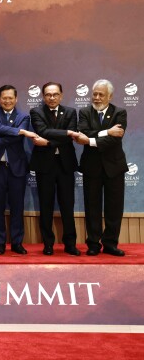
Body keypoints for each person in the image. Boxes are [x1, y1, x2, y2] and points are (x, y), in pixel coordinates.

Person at [72, 79, 128, 256]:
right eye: (94, 94)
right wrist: (105, 132)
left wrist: (90, 141)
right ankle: (94, 243)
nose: (96, 98)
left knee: (114, 207)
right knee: (92, 206)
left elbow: (115, 138)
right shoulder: (85, 112)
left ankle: (110, 243)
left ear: (109, 96)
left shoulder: (120, 112)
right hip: (91, 167)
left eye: (101, 94)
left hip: (114, 167)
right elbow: (82, 132)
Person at [0, 84, 37, 255]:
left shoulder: (24, 116)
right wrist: (19, 131)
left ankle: (17, 242)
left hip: (17, 168)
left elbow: (13, 139)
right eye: (4, 98)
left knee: (17, 207)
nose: (7, 101)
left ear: (16, 99)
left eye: (10, 98)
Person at [29, 82, 81, 256]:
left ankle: (70, 244)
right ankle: (48, 244)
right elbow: (42, 130)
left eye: (55, 94)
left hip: (65, 165)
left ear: (61, 95)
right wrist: (66, 133)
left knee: (68, 205)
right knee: (46, 206)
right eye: (48, 95)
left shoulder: (71, 112)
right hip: (45, 166)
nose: (52, 98)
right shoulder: (36, 112)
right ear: (43, 96)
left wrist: (49, 142)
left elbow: (71, 134)